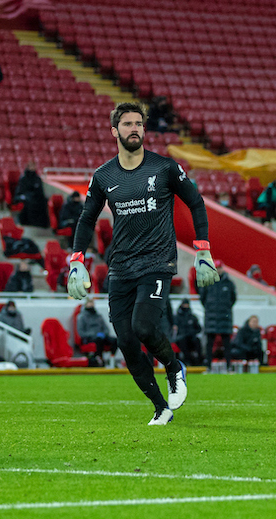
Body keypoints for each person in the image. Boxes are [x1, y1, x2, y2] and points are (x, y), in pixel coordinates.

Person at [67, 102, 219, 426]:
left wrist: (203, 250)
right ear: (114, 131)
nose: (134, 129)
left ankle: (174, 366)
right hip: (120, 267)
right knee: (126, 341)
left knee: (144, 327)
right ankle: (161, 407)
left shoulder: (164, 168)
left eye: (139, 124)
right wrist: (76, 260)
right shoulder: (103, 176)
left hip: (157, 262)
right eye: (127, 124)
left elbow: (195, 202)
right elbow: (86, 218)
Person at [201, 259, 236, 364]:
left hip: (224, 317)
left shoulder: (229, 283)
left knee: (227, 343)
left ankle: (229, 365)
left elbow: (233, 299)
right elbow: (202, 298)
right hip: (211, 317)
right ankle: (208, 366)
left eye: (219, 268)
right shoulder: (207, 282)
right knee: (209, 343)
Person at [76, 297, 116, 367]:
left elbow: (106, 328)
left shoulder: (98, 316)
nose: (91, 305)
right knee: (99, 340)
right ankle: (99, 359)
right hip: (90, 338)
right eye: (89, 303)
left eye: (92, 303)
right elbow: (81, 332)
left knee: (115, 341)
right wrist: (94, 335)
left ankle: (111, 358)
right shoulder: (82, 317)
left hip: (102, 336)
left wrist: (104, 334)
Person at [13, 162, 49, 228]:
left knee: (44, 201)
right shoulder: (23, 178)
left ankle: (42, 223)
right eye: (31, 166)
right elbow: (21, 190)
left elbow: (40, 190)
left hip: (35, 196)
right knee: (30, 201)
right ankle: (29, 222)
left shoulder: (37, 178)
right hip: (25, 195)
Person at [172, 299, 202, 366]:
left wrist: (192, 332)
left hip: (191, 337)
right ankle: (187, 360)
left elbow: (199, 328)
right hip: (181, 338)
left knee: (197, 341)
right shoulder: (177, 317)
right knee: (183, 342)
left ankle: (199, 360)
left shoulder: (192, 317)